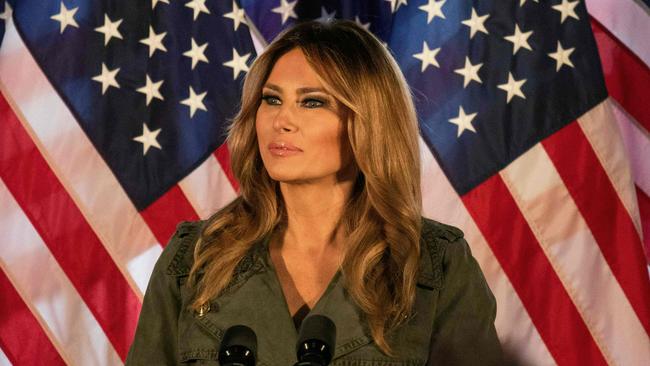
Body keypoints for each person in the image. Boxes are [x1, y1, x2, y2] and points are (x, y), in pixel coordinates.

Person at [126, 20, 502, 365]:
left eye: (312, 102)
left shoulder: (435, 264)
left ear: (368, 122)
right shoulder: (194, 258)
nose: (281, 120)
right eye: (271, 99)